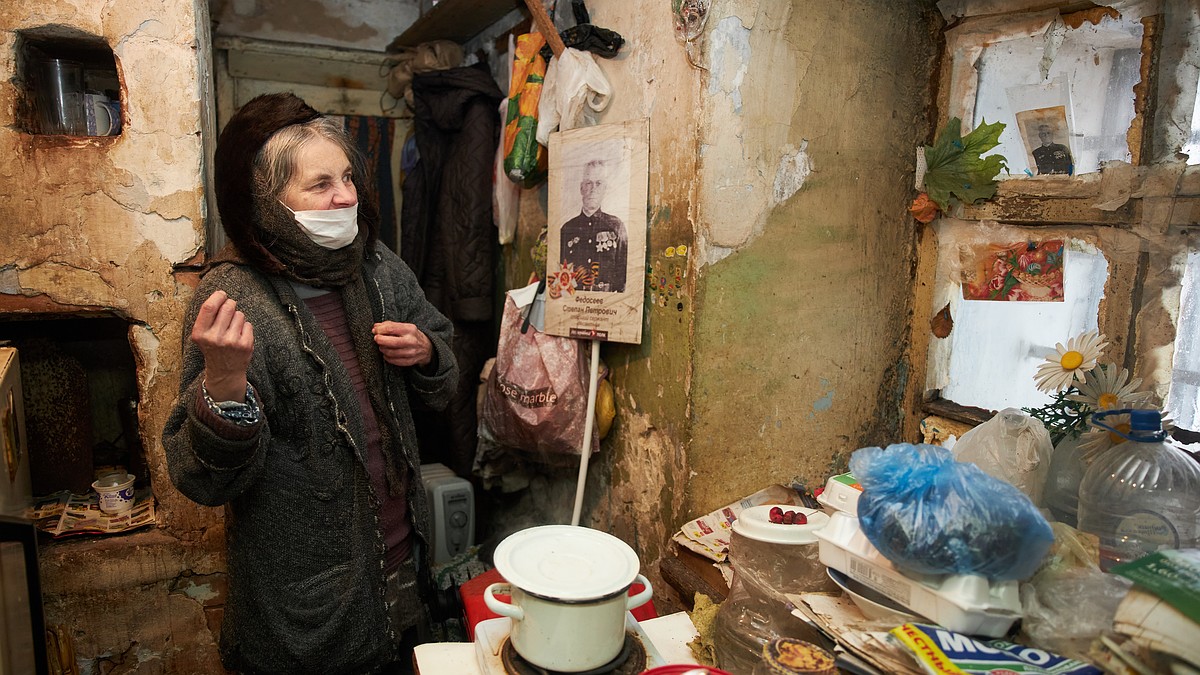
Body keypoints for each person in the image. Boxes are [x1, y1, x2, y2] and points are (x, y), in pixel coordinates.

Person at [162, 92, 458, 675]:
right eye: (320, 185)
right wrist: (222, 385)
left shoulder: (376, 266)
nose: (346, 195)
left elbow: (443, 372)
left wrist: (427, 352)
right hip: (308, 601)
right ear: (265, 202)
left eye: (347, 177)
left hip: (402, 562)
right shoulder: (234, 299)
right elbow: (201, 479)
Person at [559, 159, 628, 292]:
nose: (593, 189)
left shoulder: (616, 226)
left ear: (604, 189)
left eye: (598, 183)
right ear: (581, 188)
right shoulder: (567, 229)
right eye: (588, 183)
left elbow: (623, 274)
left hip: (607, 304)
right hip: (576, 302)